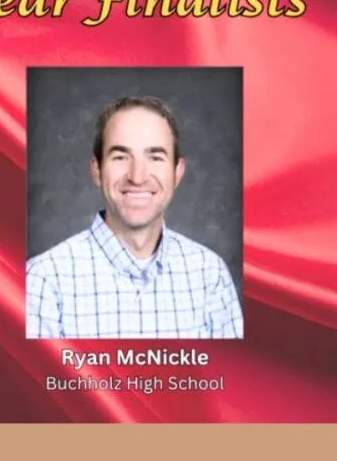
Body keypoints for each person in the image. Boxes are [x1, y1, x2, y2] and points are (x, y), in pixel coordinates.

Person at [26, 95, 244, 340]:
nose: (138, 176)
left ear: (177, 172)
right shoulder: (43, 281)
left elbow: (231, 378)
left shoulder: (210, 275)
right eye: (120, 157)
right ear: (97, 170)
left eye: (155, 157)